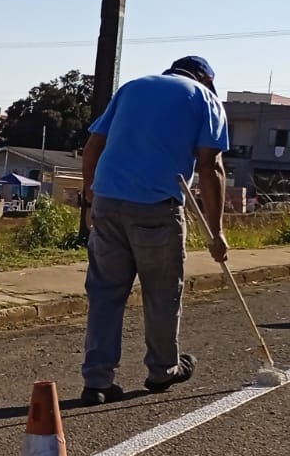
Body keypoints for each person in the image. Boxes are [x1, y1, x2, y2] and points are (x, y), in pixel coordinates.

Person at [77, 55, 230, 405]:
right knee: (162, 293)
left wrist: (89, 201)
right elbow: (211, 167)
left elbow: (92, 147)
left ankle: (97, 381)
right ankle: (162, 369)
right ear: (207, 79)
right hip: (157, 208)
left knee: (105, 294)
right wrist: (216, 230)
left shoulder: (132, 88)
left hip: (108, 204)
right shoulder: (205, 99)